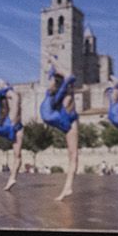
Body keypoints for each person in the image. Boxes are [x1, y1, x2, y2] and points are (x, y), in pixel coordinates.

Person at [39, 63, 79, 201]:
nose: (48, 84)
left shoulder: (63, 92)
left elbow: (69, 76)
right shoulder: (52, 95)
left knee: (73, 155)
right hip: (62, 120)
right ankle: (68, 187)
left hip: (69, 121)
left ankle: (68, 187)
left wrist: (53, 61)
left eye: (51, 82)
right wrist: (52, 62)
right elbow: (53, 74)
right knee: (71, 155)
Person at [0, 84, 24, 191]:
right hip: (14, 127)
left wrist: (4, 88)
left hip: (2, 128)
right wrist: (8, 88)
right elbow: (15, 98)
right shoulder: (11, 113)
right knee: (17, 157)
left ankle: (11, 179)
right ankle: (12, 178)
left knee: (17, 156)